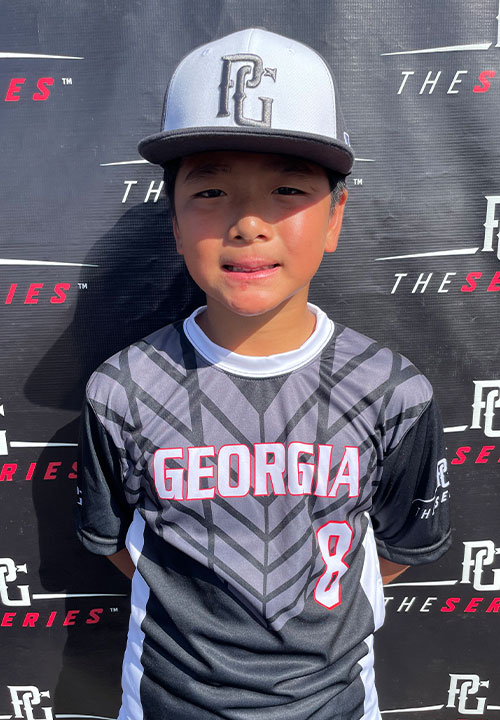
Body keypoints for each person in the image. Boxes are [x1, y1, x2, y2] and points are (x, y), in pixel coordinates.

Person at [76, 28, 451, 720]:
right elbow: (122, 547)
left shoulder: (392, 391)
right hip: (167, 704)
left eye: (287, 189)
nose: (249, 222)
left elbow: (398, 548)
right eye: (212, 190)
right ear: (175, 222)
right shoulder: (122, 389)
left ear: (337, 216)